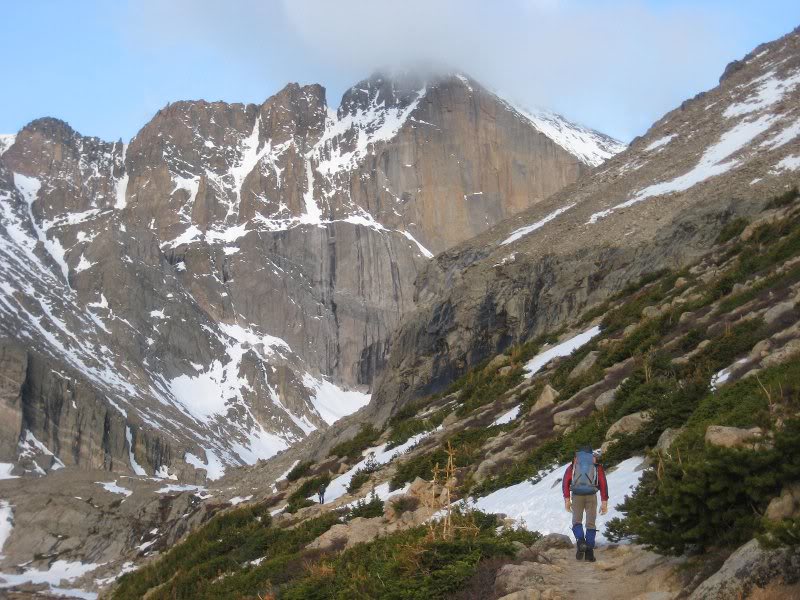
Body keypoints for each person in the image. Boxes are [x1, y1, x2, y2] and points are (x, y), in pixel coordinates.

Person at [562, 445, 608, 562]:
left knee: (576, 521)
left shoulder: (573, 465)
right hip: (591, 495)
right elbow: (603, 483)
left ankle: (581, 542)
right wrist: (604, 501)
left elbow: (565, 482)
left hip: (577, 496)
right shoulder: (596, 465)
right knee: (590, 524)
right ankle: (589, 553)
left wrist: (567, 499)